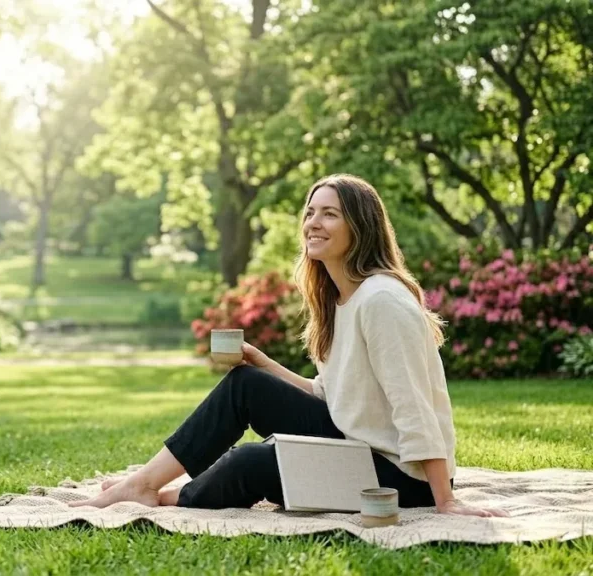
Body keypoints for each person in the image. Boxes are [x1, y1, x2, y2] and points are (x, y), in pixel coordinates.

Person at [70, 174, 507, 518]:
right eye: (311, 212)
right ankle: (146, 485)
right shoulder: (343, 300)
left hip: (399, 478)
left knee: (252, 463)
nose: (314, 223)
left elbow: (415, 407)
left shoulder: (382, 301)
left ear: (361, 227)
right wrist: (264, 364)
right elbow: (333, 396)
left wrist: (444, 500)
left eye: (330, 214)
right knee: (246, 383)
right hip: (359, 445)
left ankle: (160, 495)